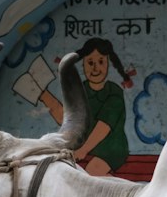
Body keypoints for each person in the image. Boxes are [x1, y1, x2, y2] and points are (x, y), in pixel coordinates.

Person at [16, 38, 133, 176]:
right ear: (83, 64)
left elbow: (103, 127)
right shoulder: (81, 88)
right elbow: (68, 119)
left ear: (108, 63)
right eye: (90, 62)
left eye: (101, 62)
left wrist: (83, 150)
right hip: (83, 146)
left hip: (110, 147)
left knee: (90, 173)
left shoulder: (114, 92)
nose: (95, 67)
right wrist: (43, 94)